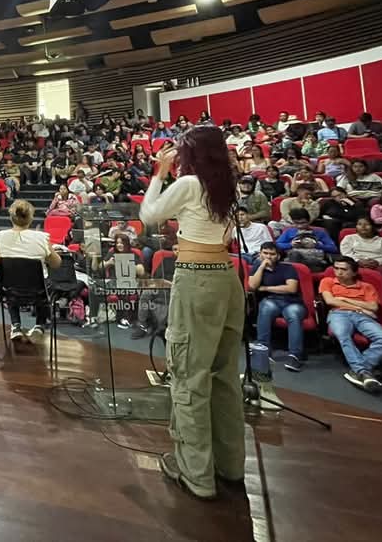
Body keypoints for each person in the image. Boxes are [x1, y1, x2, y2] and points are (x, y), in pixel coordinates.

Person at [140, 127, 243, 501]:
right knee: (225, 375)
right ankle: (229, 465)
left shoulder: (189, 183)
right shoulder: (227, 184)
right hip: (227, 279)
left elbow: (150, 214)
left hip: (197, 279)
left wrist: (159, 173)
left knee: (189, 375)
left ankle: (196, 474)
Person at [0, 199, 62, 342]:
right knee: (46, 284)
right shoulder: (42, 237)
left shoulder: (0, 236)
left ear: (11, 217)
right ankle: (39, 325)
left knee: (11, 282)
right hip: (38, 293)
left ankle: (16, 325)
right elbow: (56, 263)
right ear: (30, 218)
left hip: (10, 292)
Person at [319, 257, 382, 393]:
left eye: (344, 269)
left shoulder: (366, 286)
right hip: (339, 314)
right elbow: (330, 301)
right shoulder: (327, 281)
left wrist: (345, 299)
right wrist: (359, 308)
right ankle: (363, 372)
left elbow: (373, 307)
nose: (339, 272)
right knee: (342, 335)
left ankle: (359, 370)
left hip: (363, 317)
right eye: (336, 268)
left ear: (354, 272)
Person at [248, 243, 307, 377]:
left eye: (272, 254)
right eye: (265, 253)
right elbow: (252, 286)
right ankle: (264, 349)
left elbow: (291, 288)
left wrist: (266, 288)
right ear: (260, 253)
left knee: (293, 314)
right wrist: (262, 267)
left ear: (278, 256)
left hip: (291, 301)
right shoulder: (257, 267)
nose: (268, 256)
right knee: (266, 308)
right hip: (272, 301)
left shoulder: (288, 268)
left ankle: (295, 355)